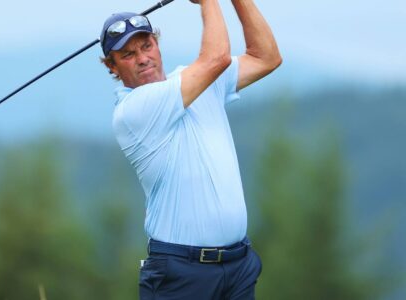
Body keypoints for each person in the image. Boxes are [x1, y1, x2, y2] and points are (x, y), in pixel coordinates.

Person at [100, 0, 281, 298]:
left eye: (146, 46)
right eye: (128, 55)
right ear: (112, 66)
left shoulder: (196, 80)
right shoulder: (133, 110)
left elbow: (266, 57)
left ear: (157, 44)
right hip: (181, 273)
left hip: (239, 266)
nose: (143, 58)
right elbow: (217, 58)